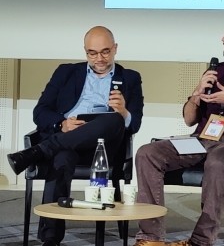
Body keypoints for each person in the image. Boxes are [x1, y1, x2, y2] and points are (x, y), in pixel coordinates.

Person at [134, 14, 224, 246]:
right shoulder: (216, 71)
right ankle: (151, 238)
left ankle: (201, 241)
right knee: (147, 153)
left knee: (217, 161)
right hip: (201, 140)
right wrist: (196, 94)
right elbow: (189, 119)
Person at [7, 26, 144, 246]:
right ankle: (51, 238)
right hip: (68, 142)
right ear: (85, 52)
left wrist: (124, 112)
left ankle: (39, 151)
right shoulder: (66, 72)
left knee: (113, 119)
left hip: (104, 148)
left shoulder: (130, 78)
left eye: (105, 52)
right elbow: (40, 112)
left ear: (115, 48)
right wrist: (62, 123)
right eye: (92, 53)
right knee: (61, 158)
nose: (99, 58)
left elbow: (134, 123)